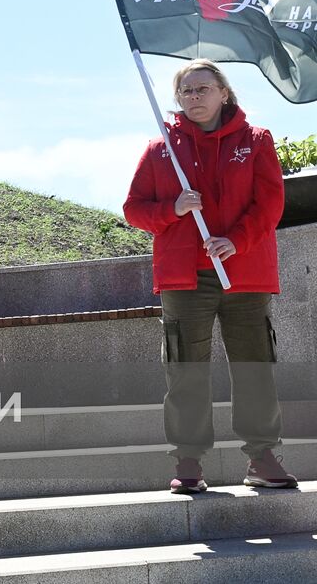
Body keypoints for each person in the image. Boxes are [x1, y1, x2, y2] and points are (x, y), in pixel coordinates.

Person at [122, 58, 295, 493]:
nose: (194, 97)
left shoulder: (255, 141)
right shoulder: (160, 148)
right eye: (186, 91)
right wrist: (173, 209)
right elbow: (133, 210)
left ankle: (262, 455)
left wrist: (236, 240)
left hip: (246, 273)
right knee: (185, 369)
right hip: (185, 276)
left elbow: (269, 204)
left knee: (254, 365)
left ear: (224, 92)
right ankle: (188, 460)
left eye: (202, 88)